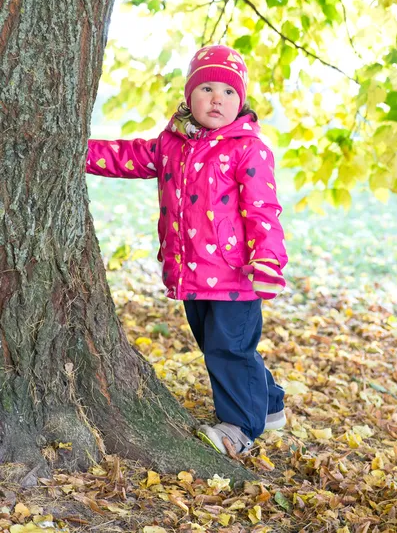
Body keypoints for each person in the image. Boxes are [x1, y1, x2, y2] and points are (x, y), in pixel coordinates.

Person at [86, 45, 288, 455]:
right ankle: (271, 405)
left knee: (228, 347)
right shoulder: (171, 145)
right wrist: (79, 152)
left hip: (236, 275)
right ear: (189, 95)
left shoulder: (248, 148)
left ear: (241, 101)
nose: (218, 98)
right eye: (208, 88)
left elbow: (262, 208)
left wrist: (268, 258)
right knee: (220, 344)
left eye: (229, 92)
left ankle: (241, 429)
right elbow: (130, 157)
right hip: (192, 272)